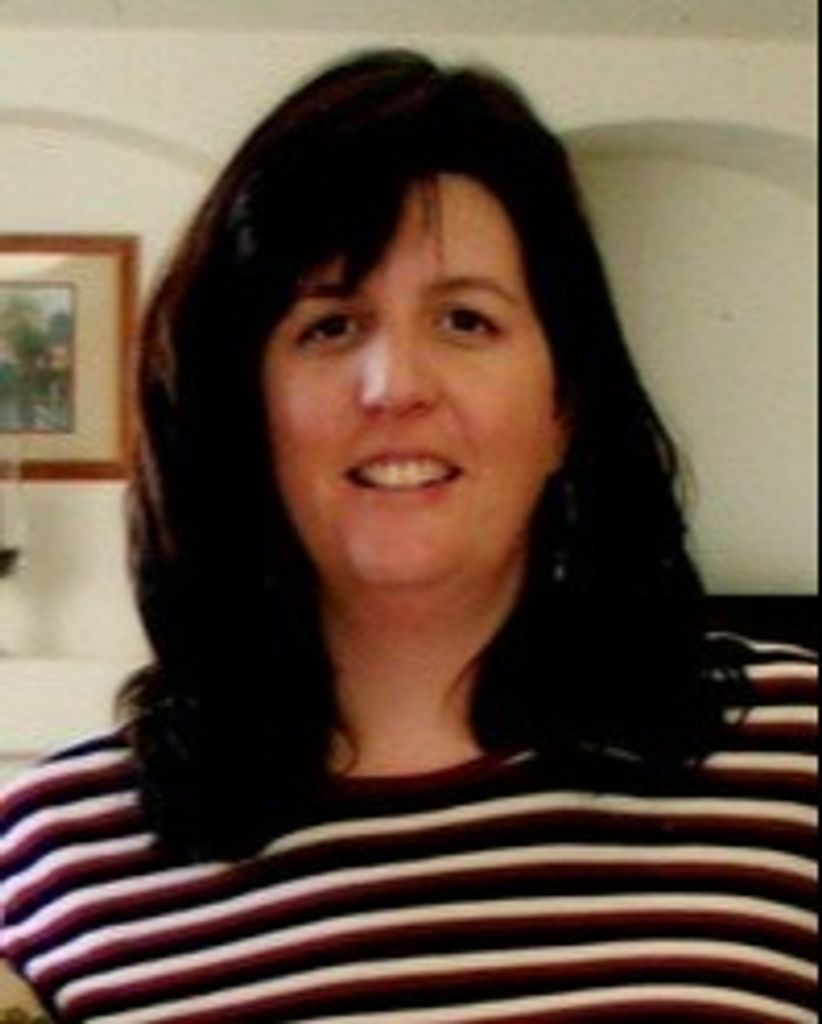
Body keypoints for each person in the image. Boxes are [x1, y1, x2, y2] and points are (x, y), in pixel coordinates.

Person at [1, 49, 816, 1024]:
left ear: (564, 404)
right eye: (331, 325)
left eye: (465, 320)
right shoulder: (59, 859)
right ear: (244, 410)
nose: (396, 385)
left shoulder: (798, 759)